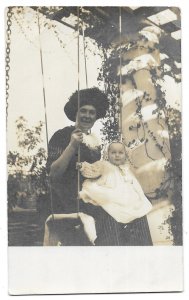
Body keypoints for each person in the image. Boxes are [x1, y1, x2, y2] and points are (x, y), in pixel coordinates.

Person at [44, 87, 153, 246]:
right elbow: (54, 174)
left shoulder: (94, 143)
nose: (87, 115)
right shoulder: (62, 135)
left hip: (94, 193)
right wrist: (72, 145)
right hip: (70, 197)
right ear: (76, 112)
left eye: (92, 112)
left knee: (137, 208)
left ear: (96, 116)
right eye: (83, 111)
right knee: (112, 212)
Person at [77, 141, 153, 245]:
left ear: (125, 155)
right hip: (112, 194)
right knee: (112, 209)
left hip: (124, 197)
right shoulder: (104, 165)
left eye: (120, 153)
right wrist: (83, 166)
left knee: (137, 208)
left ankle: (135, 233)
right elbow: (93, 170)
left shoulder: (125, 169)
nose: (117, 155)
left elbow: (133, 184)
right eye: (113, 152)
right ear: (108, 154)